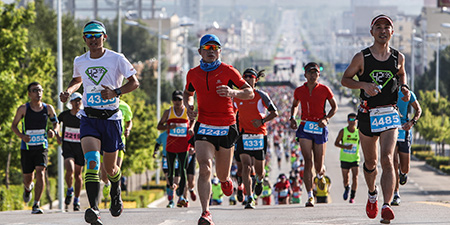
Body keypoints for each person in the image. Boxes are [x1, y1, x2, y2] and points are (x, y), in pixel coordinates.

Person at [59, 20, 139, 225]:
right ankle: (93, 209)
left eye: (97, 35)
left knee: (111, 168)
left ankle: (115, 189)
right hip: (89, 118)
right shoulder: (80, 60)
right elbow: (77, 79)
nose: (93, 39)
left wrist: (116, 92)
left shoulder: (116, 59)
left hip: (111, 119)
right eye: (89, 36)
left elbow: (134, 82)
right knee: (92, 162)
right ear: (84, 39)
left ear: (104, 37)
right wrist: (69, 91)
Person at [341, 14, 410, 224]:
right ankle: (372, 194)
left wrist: (405, 88)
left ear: (392, 32)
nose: (382, 30)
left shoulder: (398, 57)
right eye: (378, 27)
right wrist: (364, 86)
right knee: (370, 162)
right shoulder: (361, 58)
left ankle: (387, 205)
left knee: (388, 159)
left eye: (386, 27)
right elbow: (345, 79)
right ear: (372, 32)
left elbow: (401, 75)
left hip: (389, 113)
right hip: (367, 114)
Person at [183, 34, 254, 225]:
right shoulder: (193, 73)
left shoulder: (228, 71)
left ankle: (225, 180)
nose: (211, 51)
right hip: (204, 125)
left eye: (215, 48)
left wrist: (233, 92)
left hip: (226, 126)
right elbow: (188, 92)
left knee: (222, 174)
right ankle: (206, 212)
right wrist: (189, 105)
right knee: (205, 168)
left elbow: (250, 92)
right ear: (200, 52)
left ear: (220, 51)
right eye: (207, 48)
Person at [289, 62, 338, 207]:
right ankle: (310, 195)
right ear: (305, 75)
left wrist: (326, 119)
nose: (312, 75)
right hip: (305, 126)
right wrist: (293, 117)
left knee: (318, 165)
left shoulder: (325, 90)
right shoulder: (299, 90)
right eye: (310, 72)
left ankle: (321, 174)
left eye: (315, 72)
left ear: (319, 75)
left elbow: (334, 107)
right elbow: (294, 105)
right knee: (307, 161)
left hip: (319, 127)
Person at [11, 82, 60, 214]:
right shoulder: (23, 109)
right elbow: (13, 126)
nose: (38, 93)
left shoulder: (48, 108)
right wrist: (22, 136)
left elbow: (56, 123)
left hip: (41, 146)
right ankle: (28, 188)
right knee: (27, 177)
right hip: (27, 147)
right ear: (29, 93)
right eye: (34, 90)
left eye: (40, 90)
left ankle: (36, 204)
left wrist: (54, 132)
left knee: (41, 172)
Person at [233, 68, 278, 209]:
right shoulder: (237, 96)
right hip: (243, 134)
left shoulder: (261, 95)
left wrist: (262, 121)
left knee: (259, 170)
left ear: (255, 80)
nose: (247, 79)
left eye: (250, 77)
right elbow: (231, 114)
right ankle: (249, 197)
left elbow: (274, 112)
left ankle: (259, 181)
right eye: (244, 77)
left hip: (259, 135)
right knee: (245, 166)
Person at [157, 90, 195, 208]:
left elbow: (193, 120)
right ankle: (172, 190)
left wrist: (191, 128)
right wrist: (168, 126)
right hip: (170, 147)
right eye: (175, 100)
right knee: (170, 171)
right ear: (172, 100)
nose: (177, 102)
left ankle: (181, 195)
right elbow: (159, 126)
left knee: (183, 170)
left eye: (180, 100)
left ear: (183, 100)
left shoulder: (187, 112)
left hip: (184, 146)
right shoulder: (168, 112)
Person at [391, 89, 421, 206]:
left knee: (404, 168)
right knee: (392, 163)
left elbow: (418, 110)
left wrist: (412, 122)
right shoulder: (386, 91)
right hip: (391, 130)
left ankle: (402, 173)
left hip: (404, 131)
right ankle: (396, 193)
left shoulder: (408, 94)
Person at [101, 99, 133, 203]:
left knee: (116, 168)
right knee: (104, 174)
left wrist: (128, 129)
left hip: (119, 141)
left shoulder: (125, 106)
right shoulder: (103, 105)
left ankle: (115, 196)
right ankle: (106, 184)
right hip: (104, 141)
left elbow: (129, 121)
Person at [57, 92, 84, 211]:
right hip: (68, 146)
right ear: (71, 102)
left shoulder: (84, 115)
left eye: (79, 100)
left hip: (81, 148)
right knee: (70, 169)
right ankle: (69, 189)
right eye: (75, 101)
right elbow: (56, 123)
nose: (77, 103)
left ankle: (76, 200)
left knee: (78, 175)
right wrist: (57, 135)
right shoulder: (65, 115)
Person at [334, 113, 360, 203]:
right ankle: (347, 187)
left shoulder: (359, 132)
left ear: (356, 121)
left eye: (354, 120)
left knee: (355, 177)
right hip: (344, 158)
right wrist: (346, 147)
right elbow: (336, 143)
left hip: (355, 158)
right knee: (346, 178)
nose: (352, 122)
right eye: (351, 120)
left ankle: (352, 196)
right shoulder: (343, 131)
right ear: (348, 120)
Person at [153, 131, 180, 208]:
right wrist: (155, 151)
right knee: (169, 180)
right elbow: (158, 143)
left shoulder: (178, 132)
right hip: (166, 158)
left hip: (177, 158)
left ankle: (179, 194)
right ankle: (171, 201)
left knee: (176, 181)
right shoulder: (163, 135)